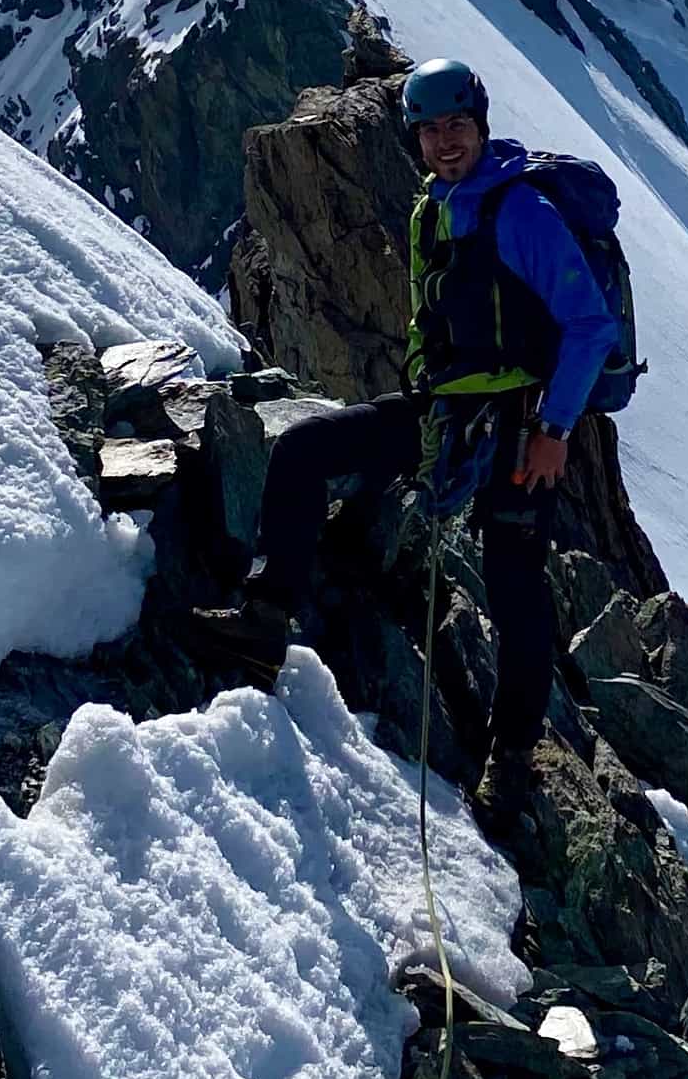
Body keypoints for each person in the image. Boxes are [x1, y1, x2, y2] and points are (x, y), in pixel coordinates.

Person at [238, 58, 626, 798]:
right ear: (415, 138)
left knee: (515, 586)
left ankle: (513, 757)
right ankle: (263, 621)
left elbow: (590, 325)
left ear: (481, 125)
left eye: (457, 126)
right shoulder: (435, 208)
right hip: (445, 413)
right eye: (430, 130)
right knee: (301, 449)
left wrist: (554, 428)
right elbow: (431, 316)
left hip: (520, 425)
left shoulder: (519, 212)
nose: (445, 142)